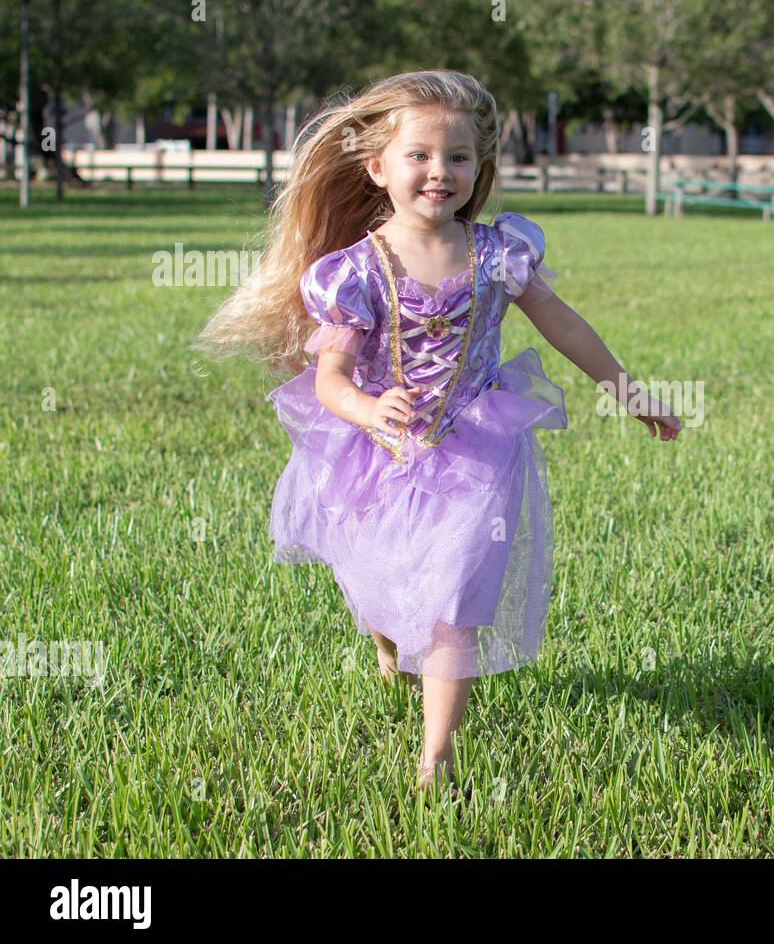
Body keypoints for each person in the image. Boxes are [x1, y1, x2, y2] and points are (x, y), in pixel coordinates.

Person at [194, 69, 680, 795]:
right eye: (419, 155)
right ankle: (387, 640)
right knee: (379, 578)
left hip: (477, 447)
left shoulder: (499, 253)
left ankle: (436, 758)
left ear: (479, 168)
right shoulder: (354, 271)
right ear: (377, 167)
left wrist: (628, 389)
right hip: (382, 449)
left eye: (458, 157)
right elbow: (329, 379)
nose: (439, 172)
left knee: (453, 600)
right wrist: (368, 409)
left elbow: (564, 324)